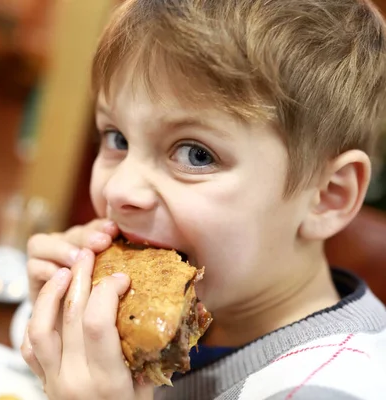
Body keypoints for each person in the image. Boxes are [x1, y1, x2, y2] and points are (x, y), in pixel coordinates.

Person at [21, 0, 386, 399]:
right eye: (117, 138)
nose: (118, 190)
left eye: (196, 154)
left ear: (327, 197)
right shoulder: (211, 307)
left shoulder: (329, 388)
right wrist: (65, 331)